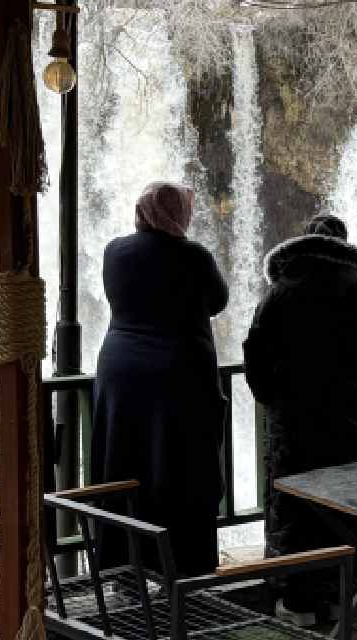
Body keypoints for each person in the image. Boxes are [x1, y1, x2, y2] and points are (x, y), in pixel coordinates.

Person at [244, 214, 357, 625]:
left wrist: (274, 399)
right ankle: (348, 597)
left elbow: (256, 354)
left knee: (297, 509)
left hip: (295, 425)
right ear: (345, 247)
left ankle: (299, 603)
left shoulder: (280, 293)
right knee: (353, 506)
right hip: (355, 424)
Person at [91, 181, 229, 577]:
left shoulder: (114, 251)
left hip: (120, 372)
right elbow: (218, 300)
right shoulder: (194, 256)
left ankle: (122, 566)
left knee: (123, 460)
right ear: (178, 213)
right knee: (183, 466)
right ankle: (185, 567)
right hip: (179, 373)